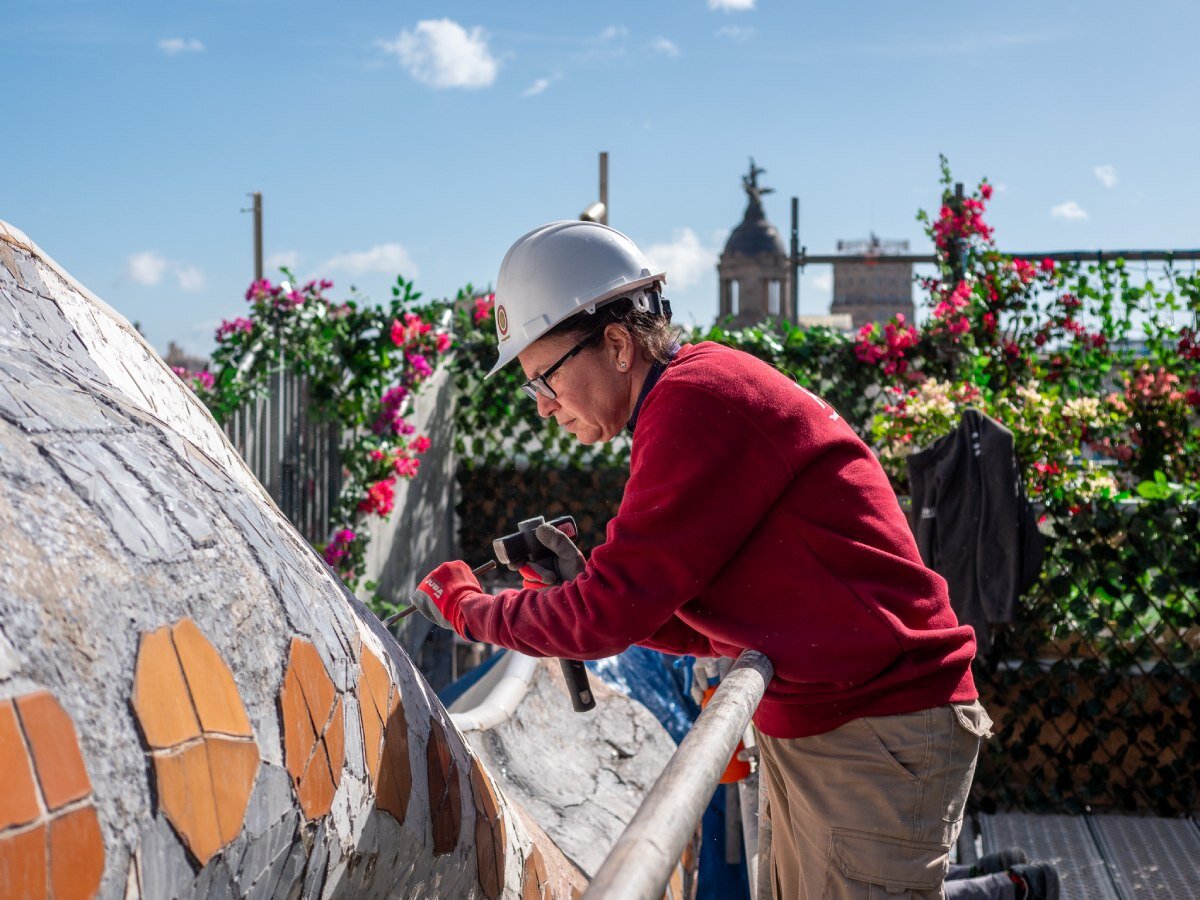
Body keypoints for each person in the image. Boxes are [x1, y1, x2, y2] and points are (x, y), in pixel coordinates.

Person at [409, 221, 1058, 900]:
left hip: (874, 729)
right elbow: (702, 614)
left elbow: (606, 615)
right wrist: (583, 592)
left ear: (618, 344)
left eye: (543, 378)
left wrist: (470, 608)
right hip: (848, 721)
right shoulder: (690, 394)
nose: (543, 407)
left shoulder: (694, 405)